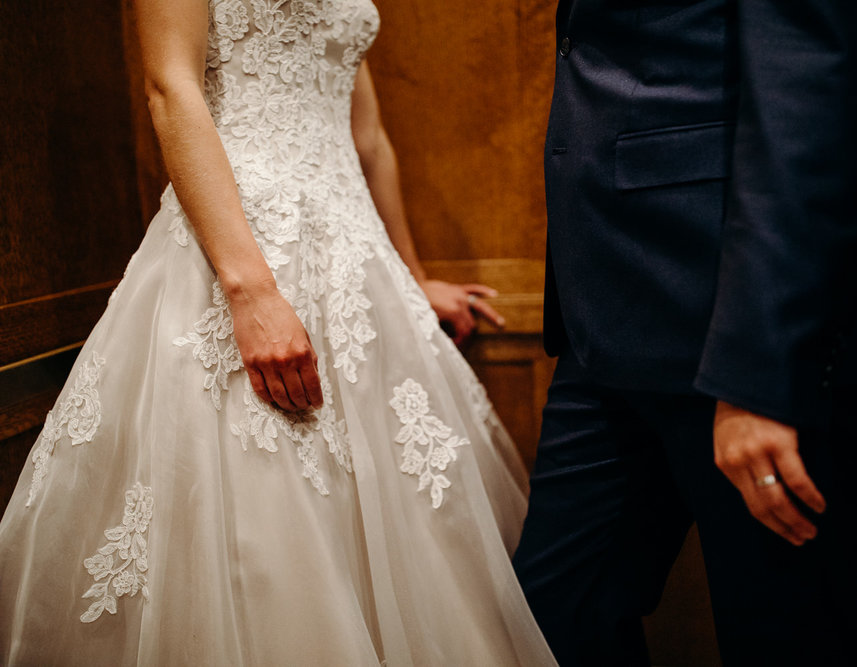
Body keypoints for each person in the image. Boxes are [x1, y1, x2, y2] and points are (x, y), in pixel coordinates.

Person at [0, 1, 556, 665]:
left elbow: (368, 138)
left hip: (357, 271)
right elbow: (170, 88)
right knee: (271, 519)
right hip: (246, 248)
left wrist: (412, 277)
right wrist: (252, 291)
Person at [513, 1, 857, 665]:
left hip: (748, 330)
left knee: (786, 639)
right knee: (550, 622)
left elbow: (825, 79)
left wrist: (761, 371)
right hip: (608, 323)